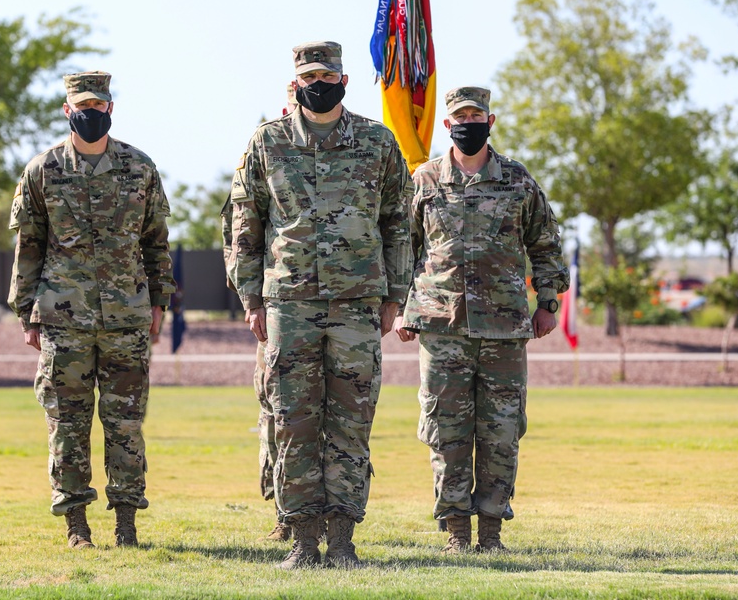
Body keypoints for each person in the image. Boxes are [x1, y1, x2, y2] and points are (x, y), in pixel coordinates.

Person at [229, 42, 413, 569]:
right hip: (287, 303)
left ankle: (345, 540)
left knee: (351, 421)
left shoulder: (378, 143)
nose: (318, 82)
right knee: (293, 419)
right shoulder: (268, 143)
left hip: (357, 304)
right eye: (308, 75)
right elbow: (246, 226)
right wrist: (250, 297)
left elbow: (399, 224)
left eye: (326, 74)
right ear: (296, 82)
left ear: (344, 79)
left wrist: (395, 297)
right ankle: (304, 542)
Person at [393, 86, 568, 553]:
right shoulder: (424, 180)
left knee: (501, 433)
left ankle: (491, 533)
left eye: (476, 114)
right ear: (447, 124)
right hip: (440, 326)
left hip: (504, 329)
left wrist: (547, 302)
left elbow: (546, 243)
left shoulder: (517, 179)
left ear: (491, 121)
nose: (468, 122)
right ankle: (455, 533)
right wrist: (402, 308)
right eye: (459, 116)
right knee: (445, 432)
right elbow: (401, 250)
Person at [8, 71, 175, 549]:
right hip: (64, 318)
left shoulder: (139, 167)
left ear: (110, 109)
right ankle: (76, 525)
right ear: (67, 110)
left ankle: (126, 523)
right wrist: (26, 313)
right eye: (82, 106)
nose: (91, 114)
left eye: (98, 106)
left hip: (127, 318)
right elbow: (29, 247)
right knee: (68, 422)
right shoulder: (43, 170)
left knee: (125, 424)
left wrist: (160, 301)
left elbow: (156, 243)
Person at [221, 83, 298, 544]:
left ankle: (322, 511)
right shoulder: (265, 147)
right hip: (278, 307)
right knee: (277, 412)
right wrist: (251, 298)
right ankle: (285, 511)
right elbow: (238, 233)